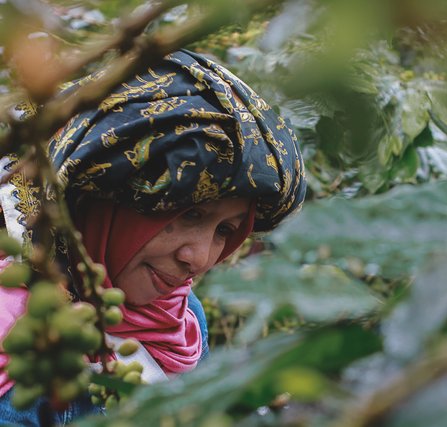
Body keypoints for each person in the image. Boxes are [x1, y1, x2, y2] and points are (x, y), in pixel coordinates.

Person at [0, 48, 306, 425]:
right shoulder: (20, 355)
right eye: (191, 213)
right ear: (106, 198)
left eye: (224, 230)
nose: (199, 258)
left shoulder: (180, 314)